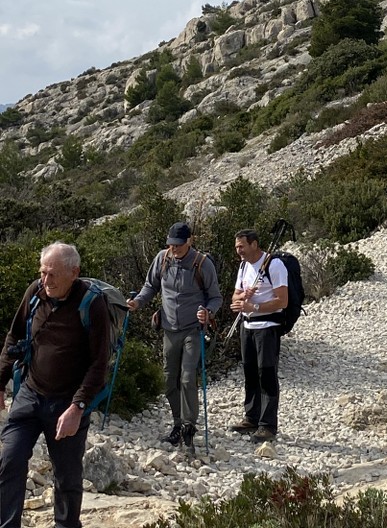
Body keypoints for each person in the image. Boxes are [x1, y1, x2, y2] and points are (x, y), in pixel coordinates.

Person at [0, 242, 110, 528]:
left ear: (74, 272)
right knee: (9, 461)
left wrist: (78, 407)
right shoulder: (35, 292)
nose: (46, 281)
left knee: (67, 477)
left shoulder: (92, 303)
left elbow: (99, 364)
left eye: (53, 274)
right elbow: (13, 338)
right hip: (30, 393)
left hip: (68, 402)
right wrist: (0, 383)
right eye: (43, 272)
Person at [128, 222, 222, 452]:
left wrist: (207, 313)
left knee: (188, 378)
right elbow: (151, 285)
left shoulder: (202, 263)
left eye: (179, 245)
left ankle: (189, 427)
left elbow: (216, 297)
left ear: (190, 241)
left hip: (193, 329)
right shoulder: (162, 259)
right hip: (169, 329)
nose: (175, 249)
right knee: (169, 380)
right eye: (171, 244)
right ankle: (178, 424)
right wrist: (138, 302)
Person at [229, 229, 288, 443]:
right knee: (250, 372)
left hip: (268, 326)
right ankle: (252, 417)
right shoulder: (244, 266)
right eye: (237, 247)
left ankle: (268, 425)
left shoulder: (275, 265)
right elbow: (235, 294)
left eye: (241, 246)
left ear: (254, 244)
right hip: (247, 326)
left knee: (267, 373)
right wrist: (243, 297)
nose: (239, 251)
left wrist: (254, 305)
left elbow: (283, 300)